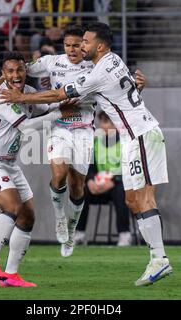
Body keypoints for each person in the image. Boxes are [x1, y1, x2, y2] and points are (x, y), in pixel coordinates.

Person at [0, 22, 172, 286]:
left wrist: (21, 99)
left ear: (99, 46)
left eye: (86, 42)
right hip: (137, 136)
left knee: (143, 198)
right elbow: (126, 93)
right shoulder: (114, 60)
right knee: (132, 200)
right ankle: (157, 258)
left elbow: (58, 93)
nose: (81, 46)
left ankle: (159, 259)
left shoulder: (97, 73)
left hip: (141, 134)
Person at [18, 24, 145, 257]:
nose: (72, 49)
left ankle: (71, 229)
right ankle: (59, 219)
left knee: (77, 187)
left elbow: (121, 93)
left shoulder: (95, 66)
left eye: (77, 45)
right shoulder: (51, 62)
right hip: (59, 127)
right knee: (58, 174)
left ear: (85, 45)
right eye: (67, 45)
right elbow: (19, 70)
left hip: (84, 129)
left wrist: (139, 88)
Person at [0, 51, 78, 288]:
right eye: (9, 71)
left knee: (27, 216)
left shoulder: (28, 94)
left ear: (25, 70)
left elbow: (48, 104)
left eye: (19, 69)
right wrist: (60, 113)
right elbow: (29, 125)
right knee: (12, 207)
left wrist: (64, 103)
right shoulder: (0, 97)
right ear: (3, 75)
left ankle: (10, 276)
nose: (16, 74)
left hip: (10, 163)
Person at [75, 111, 132, 246]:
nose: (102, 126)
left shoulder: (125, 143)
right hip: (100, 186)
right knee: (82, 191)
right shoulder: (96, 143)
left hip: (118, 186)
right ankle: (79, 234)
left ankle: (125, 234)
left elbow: (127, 169)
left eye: (106, 122)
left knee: (121, 190)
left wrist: (113, 181)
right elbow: (91, 167)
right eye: (101, 122)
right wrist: (90, 181)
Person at [0, 0, 33, 82]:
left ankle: (27, 79)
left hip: (19, 33)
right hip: (0, 34)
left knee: (22, 41)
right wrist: (5, 39)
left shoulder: (25, 1)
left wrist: (15, 37)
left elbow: (24, 20)